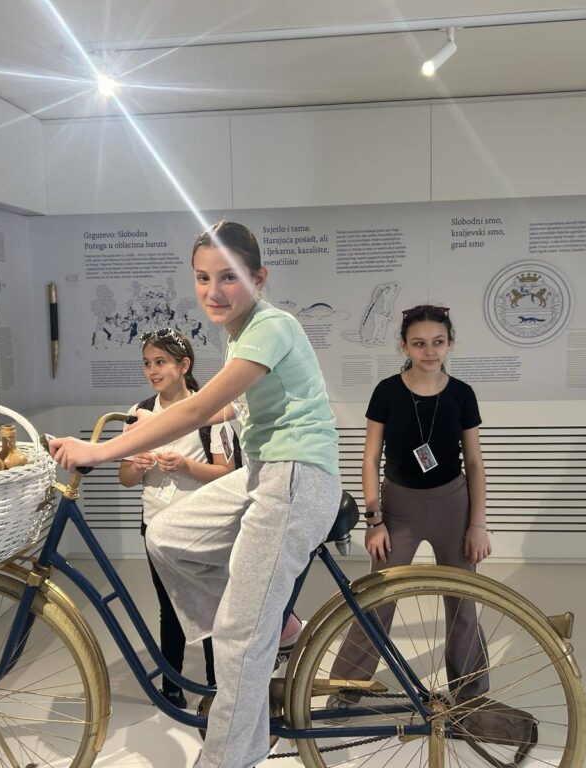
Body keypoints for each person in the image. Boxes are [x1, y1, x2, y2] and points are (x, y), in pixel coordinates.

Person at [49, 220, 341, 768]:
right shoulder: (242, 332)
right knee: (166, 535)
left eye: (229, 277)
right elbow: (233, 405)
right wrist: (146, 426)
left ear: (258, 278)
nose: (213, 291)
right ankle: (274, 627)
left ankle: (229, 753)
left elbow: (199, 408)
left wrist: (100, 451)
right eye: (203, 278)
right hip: (266, 472)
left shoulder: (271, 326)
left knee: (237, 639)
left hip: (295, 477)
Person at [327, 304, 493, 717]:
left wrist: (477, 525)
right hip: (398, 506)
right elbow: (370, 459)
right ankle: (348, 684)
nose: (429, 351)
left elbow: (474, 462)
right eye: (419, 343)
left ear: (450, 343)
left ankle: (471, 692)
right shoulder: (386, 392)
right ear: (404, 345)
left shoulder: (462, 394)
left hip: (453, 505)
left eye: (438, 342)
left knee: (462, 600)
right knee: (377, 598)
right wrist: (374, 519)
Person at [119, 327, 238, 709]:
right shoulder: (139, 413)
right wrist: (137, 465)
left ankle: (218, 685)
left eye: (161, 362)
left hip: (204, 527)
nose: (152, 371)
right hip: (156, 524)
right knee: (168, 607)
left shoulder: (209, 411)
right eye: (147, 363)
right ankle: (172, 685)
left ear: (183, 365)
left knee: (212, 604)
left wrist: (187, 466)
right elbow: (125, 478)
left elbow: (228, 473)